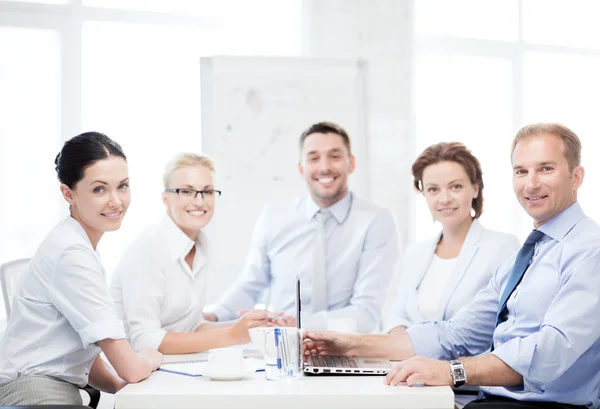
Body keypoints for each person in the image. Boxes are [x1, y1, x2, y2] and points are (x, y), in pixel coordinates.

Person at [304, 123, 600, 409]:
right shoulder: (528, 253)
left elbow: (551, 352)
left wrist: (453, 371)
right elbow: (458, 333)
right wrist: (353, 344)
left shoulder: (589, 249)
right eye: (521, 171)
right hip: (493, 399)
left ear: (576, 177)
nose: (531, 183)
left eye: (546, 168)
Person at [0, 132, 162, 406]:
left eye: (122, 186)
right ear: (68, 193)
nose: (116, 201)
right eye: (99, 189)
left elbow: (80, 349)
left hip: (53, 391)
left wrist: (122, 387)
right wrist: (148, 356)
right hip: (34, 396)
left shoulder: (78, 244)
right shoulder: (71, 253)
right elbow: (131, 368)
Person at [204, 121, 399, 332]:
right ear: (301, 168)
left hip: (350, 347)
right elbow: (251, 284)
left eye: (335, 156)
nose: (324, 167)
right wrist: (214, 315)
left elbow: (366, 313)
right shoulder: (274, 216)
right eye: (314, 158)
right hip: (281, 344)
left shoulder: (376, 221)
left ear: (351, 163)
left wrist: (299, 322)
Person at [110, 153, 268, 354]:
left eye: (207, 192)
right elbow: (145, 339)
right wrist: (232, 335)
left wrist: (252, 327)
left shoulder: (201, 245)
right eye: (187, 191)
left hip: (174, 367)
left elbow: (191, 327)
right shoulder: (148, 248)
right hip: (135, 375)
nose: (200, 202)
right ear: (166, 199)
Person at [387, 142, 519, 332]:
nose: (445, 199)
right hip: (409, 358)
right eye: (433, 189)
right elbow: (397, 315)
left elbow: (508, 323)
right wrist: (403, 343)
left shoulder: (502, 247)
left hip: (467, 360)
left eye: (455, 187)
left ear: (475, 188)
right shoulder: (415, 253)